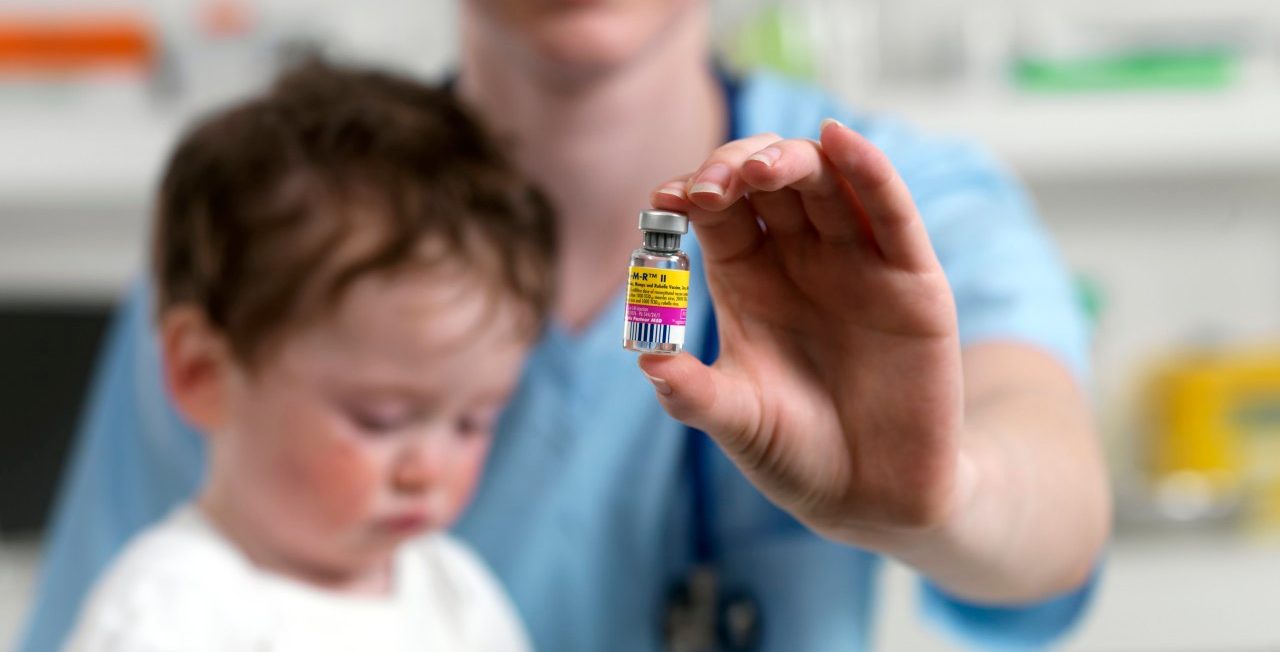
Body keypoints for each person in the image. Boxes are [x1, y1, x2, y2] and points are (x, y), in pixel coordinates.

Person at [21, 2, 1110, 651]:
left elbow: (1049, 500)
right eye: (382, 411)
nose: (423, 460)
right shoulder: (267, 233)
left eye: (460, 419)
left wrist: (934, 494)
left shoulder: (884, 205)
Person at [60, 62, 551, 652]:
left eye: (474, 422)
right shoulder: (166, 614)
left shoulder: (457, 594)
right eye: (381, 419)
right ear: (203, 372)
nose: (426, 470)